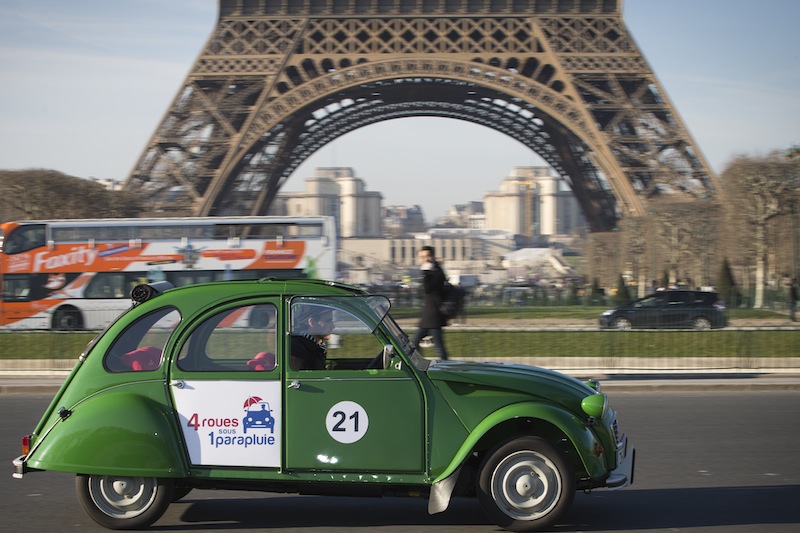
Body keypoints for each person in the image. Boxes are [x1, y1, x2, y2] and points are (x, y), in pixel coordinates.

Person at [410, 245, 449, 360]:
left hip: (433, 315)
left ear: (432, 256)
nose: (424, 259)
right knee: (418, 344)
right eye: (422, 257)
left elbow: (427, 288)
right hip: (430, 314)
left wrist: (425, 273)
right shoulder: (435, 269)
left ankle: (418, 365)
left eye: (427, 256)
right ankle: (418, 364)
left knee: (416, 344)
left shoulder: (435, 271)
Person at [290, 305, 334, 370]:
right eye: (327, 321)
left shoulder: (313, 347)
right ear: (312, 322)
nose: (333, 326)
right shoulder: (298, 351)